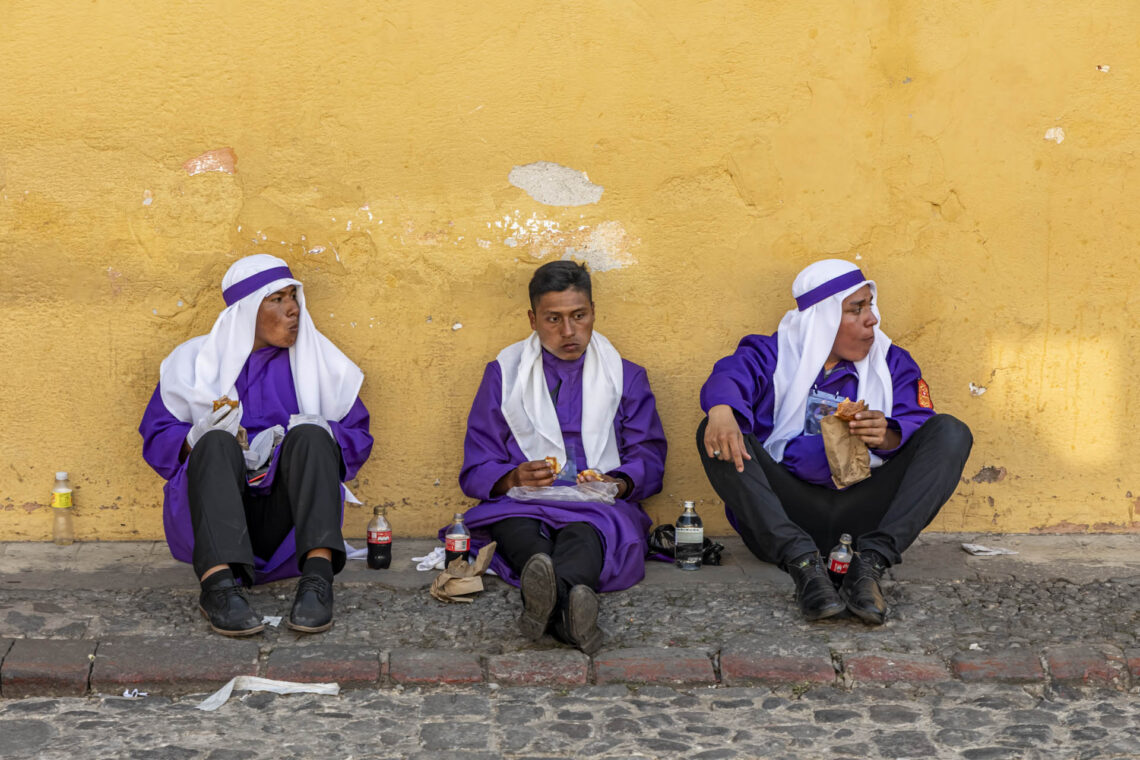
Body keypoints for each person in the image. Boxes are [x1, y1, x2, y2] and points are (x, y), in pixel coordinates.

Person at [698, 259, 971, 624]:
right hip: (784, 514)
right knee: (715, 431)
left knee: (952, 431)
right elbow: (730, 375)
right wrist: (720, 411)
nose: (871, 319)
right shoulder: (773, 355)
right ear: (822, 319)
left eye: (870, 306)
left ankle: (870, 565)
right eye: (855, 310)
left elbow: (920, 423)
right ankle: (804, 565)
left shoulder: (891, 363)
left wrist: (887, 435)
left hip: (861, 516)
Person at [139, 254, 373, 636]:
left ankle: (317, 581)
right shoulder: (191, 362)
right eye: (276, 300)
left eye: (292, 297)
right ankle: (218, 587)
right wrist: (192, 439)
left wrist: (300, 437)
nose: (292, 309)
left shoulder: (318, 360)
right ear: (246, 311)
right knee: (215, 442)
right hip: (214, 516)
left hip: (287, 524)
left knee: (313, 435)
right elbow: (156, 436)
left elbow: (357, 436)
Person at [452, 261, 667, 654]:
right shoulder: (504, 374)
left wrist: (616, 483)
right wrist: (514, 478)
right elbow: (478, 463)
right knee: (524, 538)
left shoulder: (625, 375)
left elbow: (649, 455)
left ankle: (547, 608)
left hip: (595, 504)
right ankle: (573, 616)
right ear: (533, 319)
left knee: (583, 536)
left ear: (593, 312)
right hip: (524, 504)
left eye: (579, 316)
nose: (569, 332)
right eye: (554, 319)